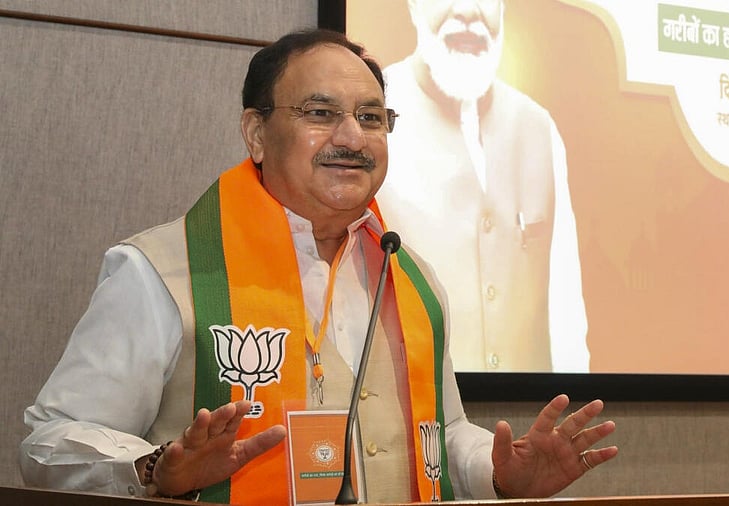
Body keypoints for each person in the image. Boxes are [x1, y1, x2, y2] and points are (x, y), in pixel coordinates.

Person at [19, 29, 617, 504]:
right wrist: (155, 468)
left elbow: (439, 435)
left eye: (373, 116)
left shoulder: (407, 276)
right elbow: (47, 442)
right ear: (256, 132)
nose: (352, 137)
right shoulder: (162, 271)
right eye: (320, 113)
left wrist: (503, 475)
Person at [376, 0, 590, 372]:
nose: (468, 12)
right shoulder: (374, 121)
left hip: (531, 413)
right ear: (412, 7)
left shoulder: (538, 125)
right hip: (413, 414)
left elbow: (566, 311)